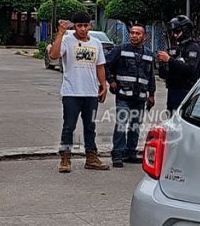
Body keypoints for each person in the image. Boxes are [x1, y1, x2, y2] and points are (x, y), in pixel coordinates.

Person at [47, 11, 109, 173]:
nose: (82, 29)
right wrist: (60, 33)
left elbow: (100, 66)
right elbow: (53, 56)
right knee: (69, 126)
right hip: (71, 92)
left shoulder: (96, 43)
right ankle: (65, 157)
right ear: (74, 26)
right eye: (79, 26)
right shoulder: (67, 41)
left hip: (91, 93)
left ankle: (91, 157)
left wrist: (103, 85)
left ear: (90, 25)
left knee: (90, 126)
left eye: (85, 25)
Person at [106, 24, 156, 168]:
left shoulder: (148, 54)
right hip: (123, 95)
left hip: (140, 97)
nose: (134, 36)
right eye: (132, 33)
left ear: (144, 37)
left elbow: (150, 76)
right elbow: (105, 65)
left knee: (135, 125)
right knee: (121, 124)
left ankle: (130, 152)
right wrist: (111, 81)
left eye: (138, 33)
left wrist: (151, 94)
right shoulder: (120, 50)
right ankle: (117, 154)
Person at [157, 15, 200, 112]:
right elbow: (164, 73)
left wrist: (169, 60)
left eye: (177, 32)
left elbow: (191, 69)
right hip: (173, 89)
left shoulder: (194, 47)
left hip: (186, 90)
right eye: (173, 32)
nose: (174, 35)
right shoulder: (176, 48)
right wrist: (162, 64)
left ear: (186, 30)